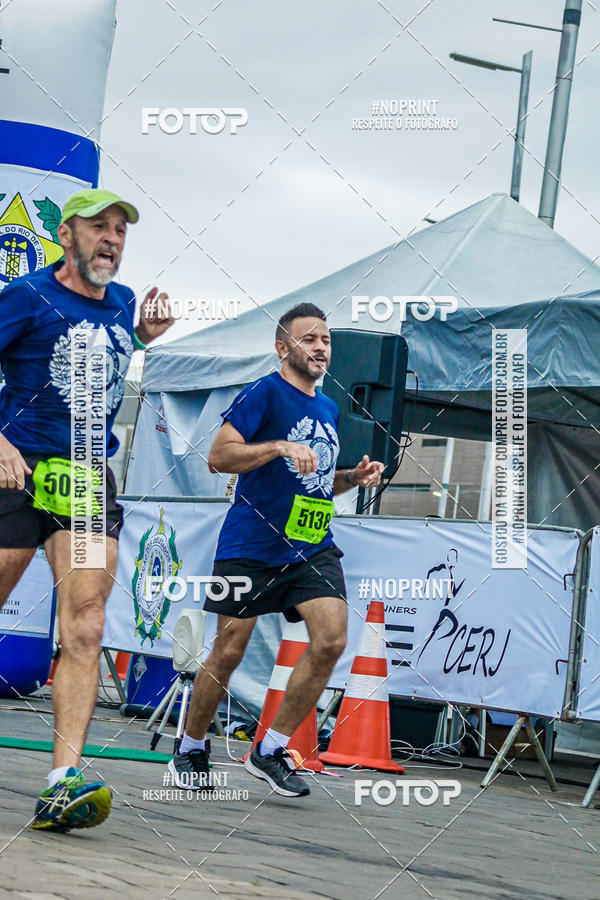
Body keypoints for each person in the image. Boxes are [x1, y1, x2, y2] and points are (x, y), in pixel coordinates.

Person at [0, 189, 173, 831]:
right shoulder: (27, 295)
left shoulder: (124, 304)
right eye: (99, 227)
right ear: (66, 236)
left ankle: (60, 782)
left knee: (87, 623)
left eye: (121, 230)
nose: (112, 239)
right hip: (15, 473)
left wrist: (142, 337)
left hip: (84, 482)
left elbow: (104, 359)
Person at [168, 302, 384, 797]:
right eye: (310, 339)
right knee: (227, 650)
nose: (321, 348)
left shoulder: (328, 409)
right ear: (283, 347)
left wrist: (353, 477)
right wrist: (279, 446)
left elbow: (315, 485)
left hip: (311, 547)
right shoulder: (264, 392)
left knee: (331, 640)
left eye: (326, 340)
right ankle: (191, 747)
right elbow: (219, 458)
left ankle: (269, 750)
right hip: (251, 545)